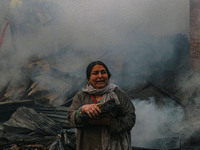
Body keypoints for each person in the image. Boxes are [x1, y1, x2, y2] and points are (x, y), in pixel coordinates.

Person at [68, 61, 136, 150]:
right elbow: (70, 117)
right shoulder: (81, 96)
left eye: (103, 72)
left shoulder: (119, 94)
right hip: (89, 145)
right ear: (89, 77)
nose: (100, 76)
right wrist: (83, 109)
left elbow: (131, 119)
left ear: (108, 75)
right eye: (95, 73)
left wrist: (109, 122)